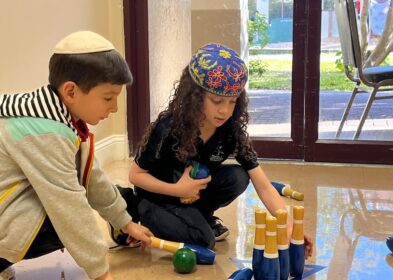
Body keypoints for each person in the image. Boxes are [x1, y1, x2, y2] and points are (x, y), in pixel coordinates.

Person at [110, 43, 313, 256]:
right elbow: (135, 175)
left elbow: (263, 185)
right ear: (195, 96)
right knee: (204, 241)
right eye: (216, 101)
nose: (224, 110)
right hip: (157, 198)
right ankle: (130, 207)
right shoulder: (167, 128)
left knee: (238, 177)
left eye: (232, 102)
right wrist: (178, 190)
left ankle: (200, 216)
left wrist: (289, 226)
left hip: (191, 197)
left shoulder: (230, 131)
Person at [0, 31, 153, 280]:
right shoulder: (43, 132)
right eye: (108, 98)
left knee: (82, 200)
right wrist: (101, 273)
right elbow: (68, 205)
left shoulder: (59, 119)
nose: (114, 108)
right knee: (67, 212)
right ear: (71, 92)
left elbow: (91, 176)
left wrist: (124, 222)